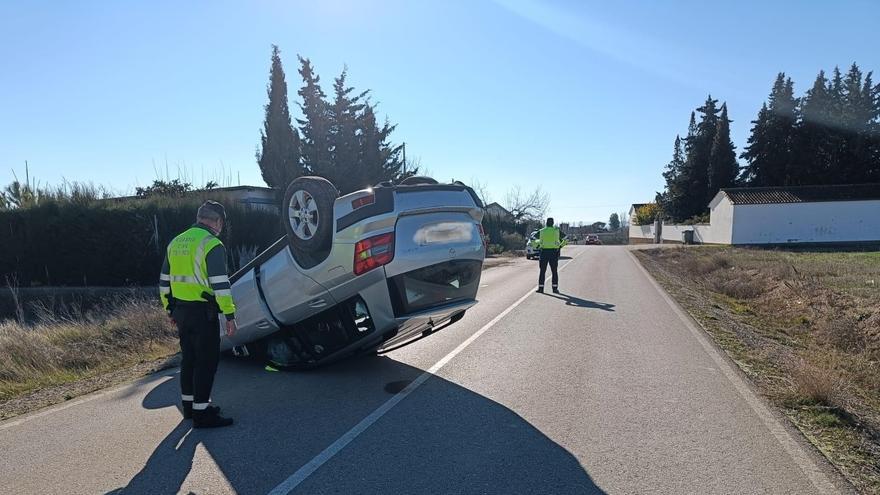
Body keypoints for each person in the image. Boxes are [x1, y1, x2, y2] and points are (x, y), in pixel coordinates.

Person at [159, 201, 237, 428]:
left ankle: (190, 408)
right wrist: (229, 314)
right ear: (217, 221)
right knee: (206, 362)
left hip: (181, 311)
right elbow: (221, 284)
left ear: (199, 217)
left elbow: (164, 282)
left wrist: (170, 309)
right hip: (203, 313)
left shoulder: (176, 242)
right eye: (221, 223)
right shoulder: (212, 244)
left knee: (190, 360)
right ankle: (203, 414)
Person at [536, 217, 567, 294]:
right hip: (554, 252)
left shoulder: (542, 231)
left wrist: (537, 246)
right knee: (554, 271)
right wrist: (560, 246)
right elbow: (566, 238)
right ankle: (555, 288)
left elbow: (533, 238)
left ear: (546, 223)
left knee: (542, 271)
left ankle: (541, 288)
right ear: (553, 223)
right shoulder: (556, 231)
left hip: (544, 252)